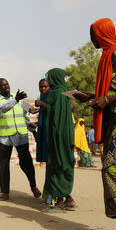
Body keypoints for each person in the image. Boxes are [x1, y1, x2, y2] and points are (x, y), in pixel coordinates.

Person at [74, 18, 116, 230]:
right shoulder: (106, 56)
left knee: (110, 170)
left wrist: (109, 99)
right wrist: (92, 97)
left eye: (92, 34)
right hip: (114, 120)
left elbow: (114, 94)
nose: (91, 39)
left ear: (102, 33)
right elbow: (111, 89)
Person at [0, 78, 41, 201]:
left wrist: (32, 126)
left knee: (26, 162)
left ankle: (33, 186)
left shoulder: (18, 97)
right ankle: (5, 192)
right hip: (5, 137)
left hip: (21, 134)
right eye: (2, 85)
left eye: (7, 84)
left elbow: (28, 112)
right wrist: (16, 100)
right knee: (3, 164)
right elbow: (3, 109)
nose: (6, 86)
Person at [38, 68, 75, 210]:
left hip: (57, 136)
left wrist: (43, 106)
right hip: (67, 136)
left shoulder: (56, 94)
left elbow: (54, 116)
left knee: (56, 164)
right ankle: (67, 198)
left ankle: (59, 200)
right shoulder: (66, 94)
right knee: (66, 163)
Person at [34, 79, 50, 164]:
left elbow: (54, 110)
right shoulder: (42, 96)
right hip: (43, 126)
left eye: (45, 86)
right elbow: (44, 111)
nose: (43, 89)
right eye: (41, 87)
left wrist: (42, 104)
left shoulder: (53, 96)